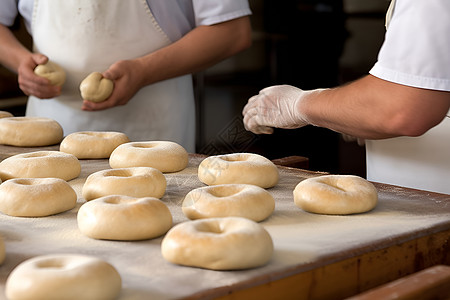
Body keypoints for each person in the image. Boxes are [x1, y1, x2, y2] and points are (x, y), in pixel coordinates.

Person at [242, 0, 450, 194]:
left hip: (435, 197)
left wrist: (296, 105)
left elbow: (403, 108)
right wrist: (357, 115)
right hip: (414, 193)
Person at [0, 1, 252, 153]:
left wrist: (144, 72)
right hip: (50, 125)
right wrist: (21, 62)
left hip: (153, 128)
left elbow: (232, 31)